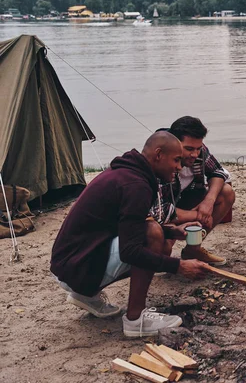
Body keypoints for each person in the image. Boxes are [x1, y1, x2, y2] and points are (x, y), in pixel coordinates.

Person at [51, 131, 209, 337]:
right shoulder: (136, 185)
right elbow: (130, 252)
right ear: (158, 154)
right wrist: (179, 266)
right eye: (176, 160)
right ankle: (135, 320)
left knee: (155, 232)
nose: (179, 167)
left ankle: (85, 295)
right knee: (152, 236)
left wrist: (173, 231)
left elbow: (129, 225)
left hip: (69, 263)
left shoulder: (130, 173)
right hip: (76, 268)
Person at [149, 116, 235, 266]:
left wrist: (209, 201)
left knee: (226, 192)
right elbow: (161, 210)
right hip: (164, 211)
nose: (195, 154)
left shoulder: (197, 150)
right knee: (163, 251)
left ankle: (193, 249)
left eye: (198, 148)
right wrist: (199, 214)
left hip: (189, 198)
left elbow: (218, 172)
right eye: (189, 149)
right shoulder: (161, 160)